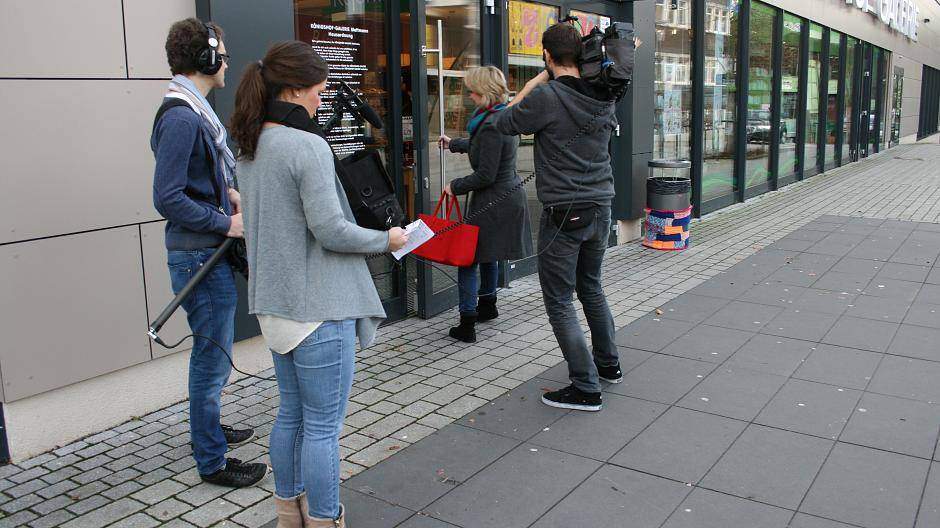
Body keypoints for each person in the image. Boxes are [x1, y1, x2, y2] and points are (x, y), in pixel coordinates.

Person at [230, 41, 408, 527]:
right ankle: (327, 520)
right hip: (318, 307)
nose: (321, 101)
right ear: (294, 88)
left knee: (291, 416)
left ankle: (291, 515)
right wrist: (387, 238)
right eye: (318, 91)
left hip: (277, 306)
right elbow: (330, 230)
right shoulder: (305, 145)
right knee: (324, 429)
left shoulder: (249, 145)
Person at [151, 18, 268, 487]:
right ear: (207, 58)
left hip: (204, 252)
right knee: (211, 357)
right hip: (199, 255)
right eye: (223, 54)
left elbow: (195, 183)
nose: (227, 62)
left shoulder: (191, 109)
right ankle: (212, 460)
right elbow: (168, 197)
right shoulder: (181, 116)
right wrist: (226, 222)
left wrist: (227, 194)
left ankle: (209, 430)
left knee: (213, 354)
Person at [492, 22, 622, 412]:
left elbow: (502, 122)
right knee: (592, 288)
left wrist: (536, 81)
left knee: (560, 300)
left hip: (565, 213)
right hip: (601, 205)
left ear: (547, 56)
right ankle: (608, 365)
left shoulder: (546, 96)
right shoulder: (604, 93)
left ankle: (585, 387)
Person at [439, 66, 532, 343]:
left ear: (484, 92)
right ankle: (488, 306)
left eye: (473, 91)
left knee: (467, 259)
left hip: (495, 199)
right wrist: (454, 144)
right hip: (504, 198)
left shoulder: (492, 123)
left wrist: (454, 186)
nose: (469, 95)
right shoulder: (500, 116)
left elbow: (485, 174)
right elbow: (483, 147)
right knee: (488, 253)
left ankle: (467, 324)